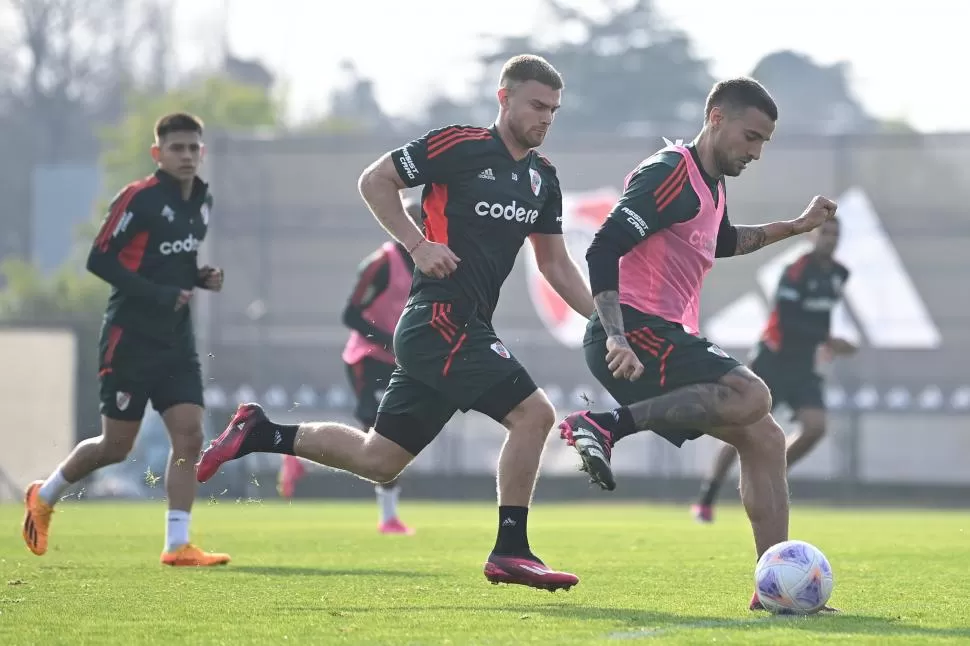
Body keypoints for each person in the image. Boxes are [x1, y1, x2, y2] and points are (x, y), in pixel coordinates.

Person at [196, 54, 594, 591]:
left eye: (554, 110)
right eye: (536, 105)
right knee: (534, 415)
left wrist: (606, 323)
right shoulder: (460, 145)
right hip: (438, 319)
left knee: (379, 459)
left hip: (456, 328)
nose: (546, 118)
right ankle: (510, 550)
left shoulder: (543, 179)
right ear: (504, 99)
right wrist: (417, 244)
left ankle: (260, 431)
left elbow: (554, 266)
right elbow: (375, 179)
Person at [556, 77, 838, 610]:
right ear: (716, 118)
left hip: (659, 332)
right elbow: (603, 247)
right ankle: (605, 424)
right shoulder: (669, 173)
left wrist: (797, 226)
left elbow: (725, 240)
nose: (755, 152)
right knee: (753, 395)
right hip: (635, 330)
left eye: (763, 143)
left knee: (766, 439)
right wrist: (616, 334)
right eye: (750, 137)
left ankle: (773, 591)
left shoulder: (710, 184)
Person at [22, 113, 230, 567]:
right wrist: (160, 294)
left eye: (194, 148)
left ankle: (177, 545)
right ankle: (46, 493)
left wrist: (199, 277)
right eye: (177, 148)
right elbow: (100, 259)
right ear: (157, 153)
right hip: (129, 337)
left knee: (190, 437)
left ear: (203, 153)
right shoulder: (138, 199)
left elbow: (168, 261)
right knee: (116, 446)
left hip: (176, 341)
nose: (187, 156)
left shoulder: (203, 201)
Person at [693, 217, 855, 523]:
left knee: (815, 427)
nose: (830, 238)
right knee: (740, 428)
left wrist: (829, 343)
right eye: (825, 232)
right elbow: (788, 321)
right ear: (812, 236)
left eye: (835, 233)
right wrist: (829, 340)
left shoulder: (839, 274)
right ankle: (707, 496)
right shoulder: (794, 270)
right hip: (773, 360)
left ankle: (770, 476)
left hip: (804, 366)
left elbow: (820, 319)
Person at [277, 199, 422, 536]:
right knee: (382, 434)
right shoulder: (381, 263)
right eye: (416, 221)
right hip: (367, 359)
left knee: (391, 438)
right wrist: (389, 341)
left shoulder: (430, 262)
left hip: (402, 362)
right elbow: (351, 315)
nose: (422, 229)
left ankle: (298, 448)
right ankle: (388, 516)